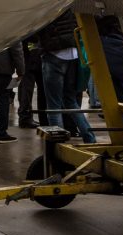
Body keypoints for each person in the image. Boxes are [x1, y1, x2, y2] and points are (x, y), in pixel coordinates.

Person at [38, 10, 96, 143]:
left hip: (54, 53)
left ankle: (58, 144)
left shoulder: (50, 4)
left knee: (53, 105)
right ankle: (90, 138)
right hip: (74, 54)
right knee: (71, 101)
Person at [17, 36, 43, 128]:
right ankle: (25, 117)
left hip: (29, 55)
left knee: (26, 87)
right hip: (32, 56)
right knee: (27, 88)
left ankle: (25, 116)